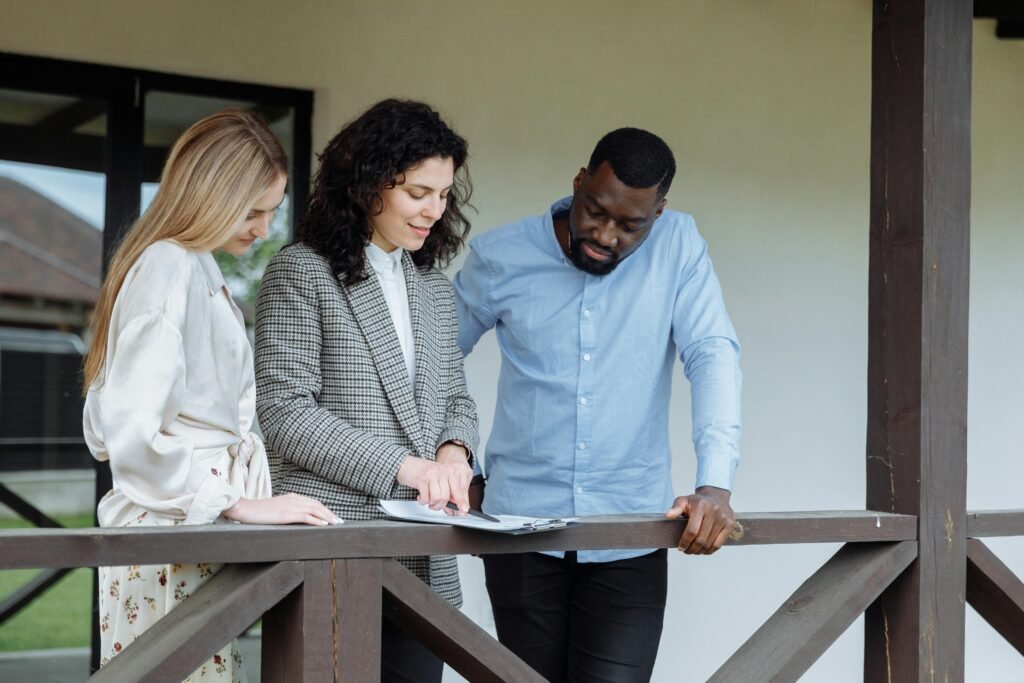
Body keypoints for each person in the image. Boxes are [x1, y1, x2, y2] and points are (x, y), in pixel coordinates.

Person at [454, 127, 742, 682]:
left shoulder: (679, 246)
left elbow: (712, 354)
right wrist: (452, 459)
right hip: (519, 528)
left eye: (629, 225)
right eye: (594, 211)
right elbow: (434, 362)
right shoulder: (500, 256)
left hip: (629, 533)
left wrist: (715, 481)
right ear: (579, 183)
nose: (605, 235)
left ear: (658, 215)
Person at [82, 110, 339, 680]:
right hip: (166, 540)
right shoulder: (169, 267)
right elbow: (128, 432)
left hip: (180, 535)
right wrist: (234, 500)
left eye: (272, 210)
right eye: (252, 211)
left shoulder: (187, 267)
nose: (266, 228)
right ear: (210, 196)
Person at [254, 98, 479, 683]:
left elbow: (455, 396)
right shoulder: (300, 271)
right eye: (418, 192)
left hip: (424, 559)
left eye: (445, 194)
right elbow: (284, 413)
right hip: (331, 548)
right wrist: (409, 468)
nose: (435, 209)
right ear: (368, 184)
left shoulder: (431, 284)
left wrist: (454, 453)